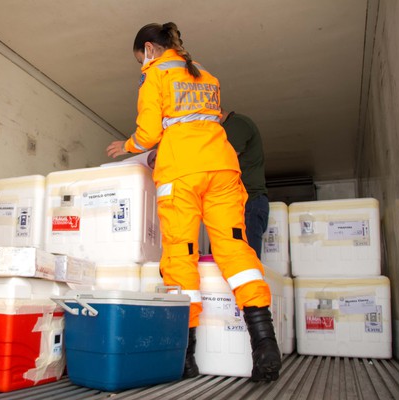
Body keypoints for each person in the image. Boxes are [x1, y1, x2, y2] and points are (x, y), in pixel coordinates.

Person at [106, 22, 281, 382]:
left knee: (180, 255)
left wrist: (127, 147)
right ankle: (265, 344)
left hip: (181, 172)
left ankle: (186, 358)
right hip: (221, 167)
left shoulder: (155, 75)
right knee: (235, 249)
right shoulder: (206, 75)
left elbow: (150, 132)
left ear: (150, 49)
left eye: (141, 58)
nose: (142, 64)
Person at [221, 108, 269, 259]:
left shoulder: (236, 124)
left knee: (244, 262)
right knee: (232, 262)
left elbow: (223, 160)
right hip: (242, 204)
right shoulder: (230, 127)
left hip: (249, 202)